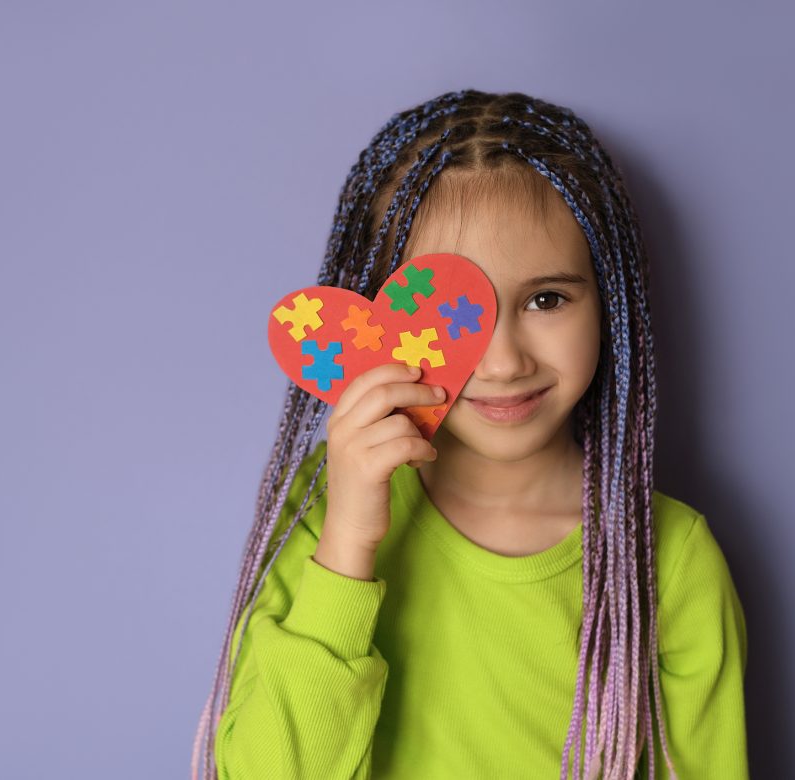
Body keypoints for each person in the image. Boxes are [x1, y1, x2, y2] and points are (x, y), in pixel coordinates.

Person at [191, 89, 749, 780]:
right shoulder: (323, 512)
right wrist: (349, 547)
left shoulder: (668, 560)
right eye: (454, 313)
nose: (504, 361)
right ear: (375, 322)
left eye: (547, 299)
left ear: (607, 303)